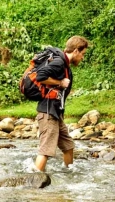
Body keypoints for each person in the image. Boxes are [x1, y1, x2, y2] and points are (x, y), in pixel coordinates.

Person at [34, 35, 89, 172]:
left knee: (68, 146)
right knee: (46, 150)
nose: (82, 57)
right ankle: (33, 182)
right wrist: (60, 83)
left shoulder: (64, 65)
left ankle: (68, 175)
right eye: (82, 54)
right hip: (48, 113)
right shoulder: (59, 62)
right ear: (75, 51)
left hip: (55, 113)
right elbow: (40, 76)